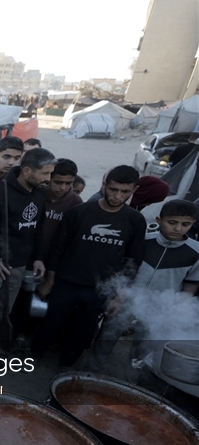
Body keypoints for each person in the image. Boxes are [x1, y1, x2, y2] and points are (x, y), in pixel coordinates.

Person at [32, 165, 146, 367]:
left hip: (101, 289)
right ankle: (33, 358)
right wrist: (49, 280)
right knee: (50, 323)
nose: (118, 196)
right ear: (104, 185)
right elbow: (59, 247)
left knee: (83, 331)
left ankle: (66, 367)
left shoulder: (135, 220)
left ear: (134, 190)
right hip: (67, 281)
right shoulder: (79, 212)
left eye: (125, 192)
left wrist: (120, 296)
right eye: (113, 189)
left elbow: (133, 260)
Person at [86, 199, 199, 372]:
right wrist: (118, 297)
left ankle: (132, 384)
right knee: (105, 339)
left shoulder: (195, 252)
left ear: (193, 224)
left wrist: (176, 313)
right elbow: (123, 271)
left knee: (142, 349)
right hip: (127, 299)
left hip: (160, 308)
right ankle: (88, 374)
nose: (178, 229)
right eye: (172, 222)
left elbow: (189, 287)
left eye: (186, 224)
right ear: (159, 220)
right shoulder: (143, 240)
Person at [0, 148, 56, 355]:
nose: (48, 179)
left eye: (50, 173)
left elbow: (37, 228)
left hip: (19, 264)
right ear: (27, 171)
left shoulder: (40, 194)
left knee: (1, 311)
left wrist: (39, 259)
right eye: (45, 173)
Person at [38, 158, 84, 260]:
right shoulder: (36, 195)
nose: (63, 188)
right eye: (58, 182)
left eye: (68, 183)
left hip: (56, 261)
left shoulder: (76, 203)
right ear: (49, 178)